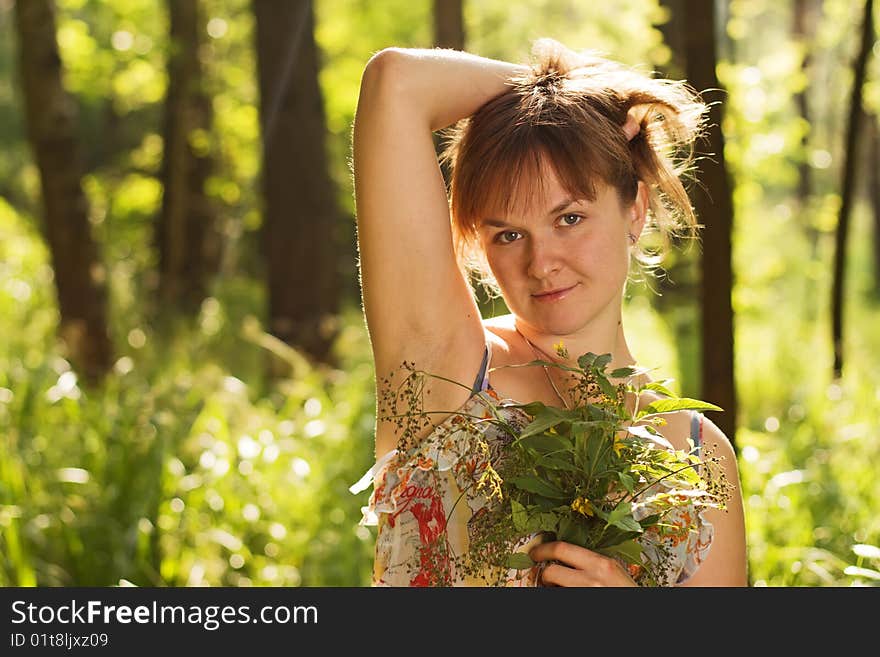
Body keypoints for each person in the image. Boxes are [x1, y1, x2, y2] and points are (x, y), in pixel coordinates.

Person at [349, 38, 747, 586]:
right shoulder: (443, 369)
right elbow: (396, 80)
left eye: (569, 219)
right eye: (509, 234)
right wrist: (571, 90)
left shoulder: (702, 457)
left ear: (634, 209)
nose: (542, 263)